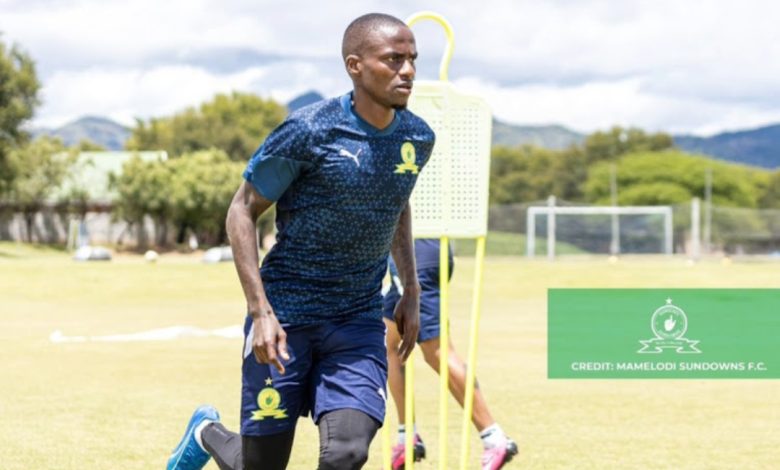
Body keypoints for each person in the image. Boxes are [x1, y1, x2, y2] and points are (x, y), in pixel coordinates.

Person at [166, 12, 435, 470]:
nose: (407, 71)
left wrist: (410, 288)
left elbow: (397, 205)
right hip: (285, 317)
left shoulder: (417, 136)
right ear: (355, 65)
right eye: (393, 60)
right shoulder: (309, 131)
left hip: (356, 320)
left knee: (347, 453)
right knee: (261, 465)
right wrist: (261, 313)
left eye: (412, 59)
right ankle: (205, 432)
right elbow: (241, 210)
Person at [383, 239, 518, 470]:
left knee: (437, 351)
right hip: (418, 252)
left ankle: (495, 439)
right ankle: (408, 438)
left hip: (413, 256)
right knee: (387, 343)